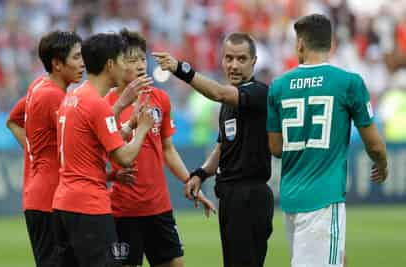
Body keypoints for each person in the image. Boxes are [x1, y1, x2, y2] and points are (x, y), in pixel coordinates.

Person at [266, 14, 388, 267]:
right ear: (330, 44)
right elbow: (374, 145)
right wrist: (383, 165)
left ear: (300, 44)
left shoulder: (278, 86)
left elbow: (276, 148)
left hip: (291, 199)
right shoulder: (348, 83)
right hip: (323, 200)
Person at [153, 32, 274, 267]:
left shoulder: (258, 92)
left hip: (250, 195)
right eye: (229, 58)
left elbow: (218, 92)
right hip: (231, 195)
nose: (234, 65)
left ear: (254, 61)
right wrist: (201, 173)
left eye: (241, 59)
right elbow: (223, 146)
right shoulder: (230, 104)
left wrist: (181, 69)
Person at [106, 28, 215, 267]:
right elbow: (97, 155)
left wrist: (190, 181)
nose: (139, 65)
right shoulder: (106, 105)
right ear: (114, 64)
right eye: (131, 60)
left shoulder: (160, 99)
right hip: (123, 210)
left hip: (159, 207)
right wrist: (112, 175)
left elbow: (167, 148)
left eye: (142, 59)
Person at [52, 33, 155, 267]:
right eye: (123, 61)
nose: (126, 67)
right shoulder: (98, 105)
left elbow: (92, 143)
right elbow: (125, 158)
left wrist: (127, 125)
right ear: (110, 65)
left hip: (62, 205)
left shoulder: (72, 98)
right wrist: (142, 129)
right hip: (89, 207)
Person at [10, 30, 83, 267]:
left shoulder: (39, 85)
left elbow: (13, 120)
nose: (83, 63)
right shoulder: (53, 97)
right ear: (57, 64)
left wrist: (34, 152)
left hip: (40, 195)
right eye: (76, 57)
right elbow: (81, 142)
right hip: (50, 199)